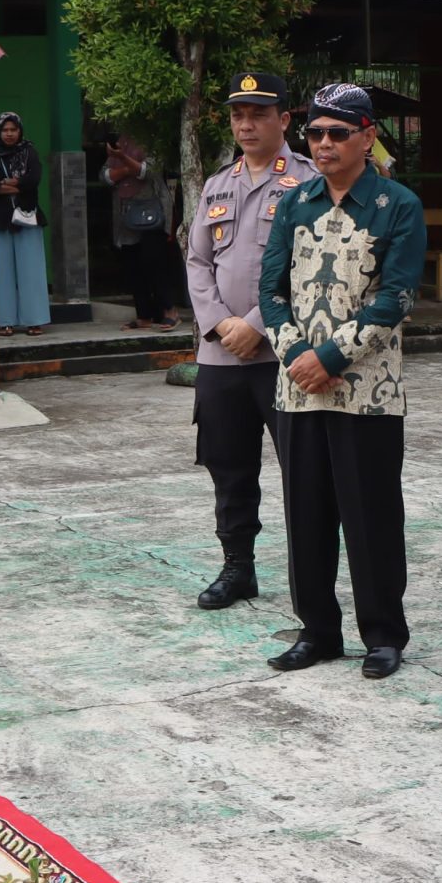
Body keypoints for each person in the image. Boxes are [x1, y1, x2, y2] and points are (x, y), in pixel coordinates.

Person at [258, 84, 426, 679]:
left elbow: (396, 297)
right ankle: (318, 630)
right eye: (315, 133)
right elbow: (270, 290)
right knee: (305, 513)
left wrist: (331, 355)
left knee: (371, 514)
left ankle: (383, 634)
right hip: (296, 388)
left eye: (338, 132)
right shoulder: (295, 202)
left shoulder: (397, 205)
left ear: (368, 136)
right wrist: (296, 353)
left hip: (368, 392)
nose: (325, 144)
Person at [187, 72, 315, 610]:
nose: (246, 124)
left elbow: (306, 269)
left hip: (283, 356)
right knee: (228, 468)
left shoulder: (307, 182)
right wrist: (220, 324)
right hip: (219, 357)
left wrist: (255, 325)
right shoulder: (217, 184)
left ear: (284, 120)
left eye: (258, 114)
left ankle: (310, 580)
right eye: (239, 114)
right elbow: (197, 262)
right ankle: (237, 566)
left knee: (303, 472)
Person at [0, 112, 49, 336]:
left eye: (13, 130)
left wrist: (11, 184)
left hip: (28, 217)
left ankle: (34, 320)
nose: (9, 134)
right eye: (5, 130)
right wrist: (20, 185)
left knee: (32, 270)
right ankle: (4, 321)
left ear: (20, 131)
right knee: (0, 272)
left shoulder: (30, 152)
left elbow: (34, 179)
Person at [107, 133, 179, 330]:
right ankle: (144, 316)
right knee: (133, 266)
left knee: (154, 262)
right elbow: (105, 175)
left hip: (152, 213)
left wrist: (122, 161)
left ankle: (170, 311)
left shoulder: (152, 141)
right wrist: (128, 166)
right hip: (126, 215)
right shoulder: (120, 143)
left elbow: (148, 172)